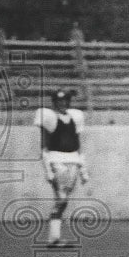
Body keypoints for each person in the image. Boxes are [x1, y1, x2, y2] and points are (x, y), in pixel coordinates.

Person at [34, 89, 89, 248]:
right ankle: (54, 238)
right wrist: (48, 170)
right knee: (61, 198)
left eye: (65, 101)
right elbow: (44, 145)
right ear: (54, 103)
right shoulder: (50, 119)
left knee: (63, 201)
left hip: (73, 160)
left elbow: (78, 144)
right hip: (57, 160)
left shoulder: (74, 118)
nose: (62, 104)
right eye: (59, 101)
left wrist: (83, 169)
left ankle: (55, 238)